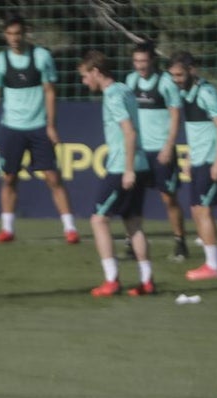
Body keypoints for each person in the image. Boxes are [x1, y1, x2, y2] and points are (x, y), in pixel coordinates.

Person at [0, 15, 79, 245]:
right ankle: (7, 229)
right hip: (11, 127)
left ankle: (70, 229)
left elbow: (50, 92)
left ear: (25, 34)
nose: (14, 38)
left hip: (38, 127)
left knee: (53, 177)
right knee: (9, 178)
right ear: (5, 35)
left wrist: (51, 125)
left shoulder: (41, 56)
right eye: (10, 34)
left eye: (18, 33)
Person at [78, 51, 154, 297]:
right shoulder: (124, 89)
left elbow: (129, 132)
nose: (84, 82)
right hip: (140, 163)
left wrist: (128, 169)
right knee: (133, 224)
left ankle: (111, 280)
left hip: (123, 166)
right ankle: (147, 280)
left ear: (96, 72)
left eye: (85, 76)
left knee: (98, 220)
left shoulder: (112, 96)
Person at [168, 51, 217, 281]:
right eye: (173, 75)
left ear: (192, 71)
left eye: (180, 75)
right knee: (196, 210)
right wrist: (189, 158)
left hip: (211, 160)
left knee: (203, 210)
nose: (176, 80)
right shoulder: (186, 93)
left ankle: (213, 266)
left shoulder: (206, 93)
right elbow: (197, 131)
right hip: (198, 160)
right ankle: (212, 262)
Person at [126, 41, 189, 261]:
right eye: (136, 61)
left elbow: (175, 116)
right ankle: (132, 243)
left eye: (144, 61)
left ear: (152, 60)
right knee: (133, 198)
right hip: (139, 151)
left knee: (168, 198)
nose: (140, 66)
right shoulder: (131, 81)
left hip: (161, 150)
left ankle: (180, 241)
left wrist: (169, 146)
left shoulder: (165, 83)